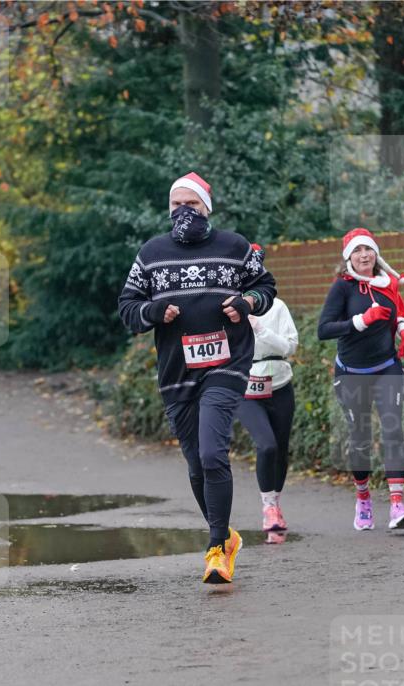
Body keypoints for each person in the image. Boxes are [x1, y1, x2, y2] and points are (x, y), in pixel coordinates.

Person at [118, 172, 277, 584]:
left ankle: (215, 549)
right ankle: (226, 536)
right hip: (176, 371)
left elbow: (265, 287)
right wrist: (154, 312)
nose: (183, 212)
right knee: (194, 466)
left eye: (191, 205)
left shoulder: (234, 246)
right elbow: (128, 308)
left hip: (227, 363)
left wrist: (245, 303)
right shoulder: (152, 253)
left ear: (207, 207)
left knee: (211, 454)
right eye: (176, 206)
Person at [317, 227, 404, 531]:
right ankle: (363, 500)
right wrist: (361, 321)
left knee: (393, 429)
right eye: (358, 251)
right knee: (360, 438)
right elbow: (324, 330)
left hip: (387, 365)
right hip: (352, 372)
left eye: (368, 250)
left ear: (376, 253)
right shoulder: (342, 288)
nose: (364, 255)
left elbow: (399, 312)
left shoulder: (388, 283)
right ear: (349, 257)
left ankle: (398, 505)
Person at [235, 244, 298, 535]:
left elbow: (289, 346)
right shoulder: (229, 308)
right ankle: (267, 507)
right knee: (266, 444)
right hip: (245, 386)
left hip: (280, 383)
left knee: (281, 448)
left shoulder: (279, 307)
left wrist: (261, 329)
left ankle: (275, 504)